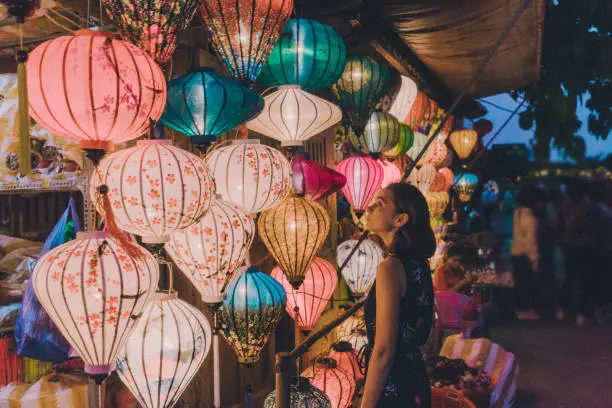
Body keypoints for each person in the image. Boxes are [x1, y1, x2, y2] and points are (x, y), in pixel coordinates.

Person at [361, 183, 435, 408]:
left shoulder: (390, 268)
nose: (369, 208)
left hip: (394, 388)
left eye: (379, 203)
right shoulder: (418, 263)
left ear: (400, 219)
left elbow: (384, 351)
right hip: (415, 380)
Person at [510, 186, 545, 320]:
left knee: (520, 283)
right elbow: (530, 240)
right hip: (525, 255)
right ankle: (525, 310)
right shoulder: (529, 215)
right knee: (527, 284)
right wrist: (534, 258)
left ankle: (520, 309)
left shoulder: (518, 212)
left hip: (516, 252)